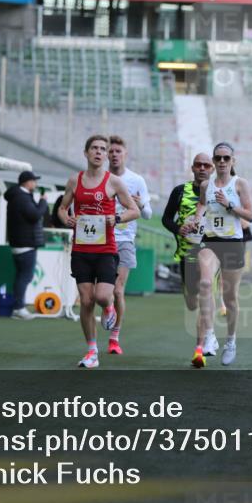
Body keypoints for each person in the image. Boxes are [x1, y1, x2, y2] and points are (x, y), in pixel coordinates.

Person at [57, 135, 140, 369]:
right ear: (86, 153)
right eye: (94, 148)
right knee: (86, 301)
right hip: (81, 249)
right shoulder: (74, 180)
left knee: (103, 296)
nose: (99, 152)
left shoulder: (114, 182)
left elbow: (134, 210)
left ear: (105, 155)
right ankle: (92, 351)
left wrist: (116, 218)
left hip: (105, 249)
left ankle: (109, 308)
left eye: (103, 149)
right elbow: (62, 208)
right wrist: (67, 219)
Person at [185, 142, 252, 368]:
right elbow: (202, 205)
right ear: (214, 162)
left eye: (226, 158)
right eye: (218, 158)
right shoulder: (206, 184)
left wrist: (230, 205)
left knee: (230, 298)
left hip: (233, 244)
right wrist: (197, 218)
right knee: (205, 283)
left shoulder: (240, 184)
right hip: (211, 242)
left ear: (233, 161)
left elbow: (250, 216)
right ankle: (210, 336)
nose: (222, 161)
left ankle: (231, 341)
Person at [102, 135, 152, 356]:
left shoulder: (136, 180)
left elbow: (148, 214)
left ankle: (114, 337)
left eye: (118, 151)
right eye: (111, 151)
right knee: (100, 293)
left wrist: (140, 204)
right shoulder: (100, 178)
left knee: (118, 289)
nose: (114, 155)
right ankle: (107, 307)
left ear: (125, 154)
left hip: (124, 240)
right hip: (100, 240)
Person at [161, 152, 213, 337]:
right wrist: (178, 229)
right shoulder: (180, 191)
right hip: (187, 253)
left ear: (212, 169)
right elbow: (166, 219)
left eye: (206, 165)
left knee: (206, 290)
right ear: (192, 168)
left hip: (210, 252)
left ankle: (205, 342)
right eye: (198, 164)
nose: (202, 168)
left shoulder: (219, 194)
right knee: (192, 302)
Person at [4, 170, 49, 312]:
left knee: (22, 276)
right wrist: (43, 201)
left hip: (20, 243)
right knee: (25, 276)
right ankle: (19, 308)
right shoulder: (21, 197)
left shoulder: (19, 196)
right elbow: (35, 215)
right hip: (25, 244)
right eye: (34, 181)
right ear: (27, 182)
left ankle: (18, 306)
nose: (35, 184)